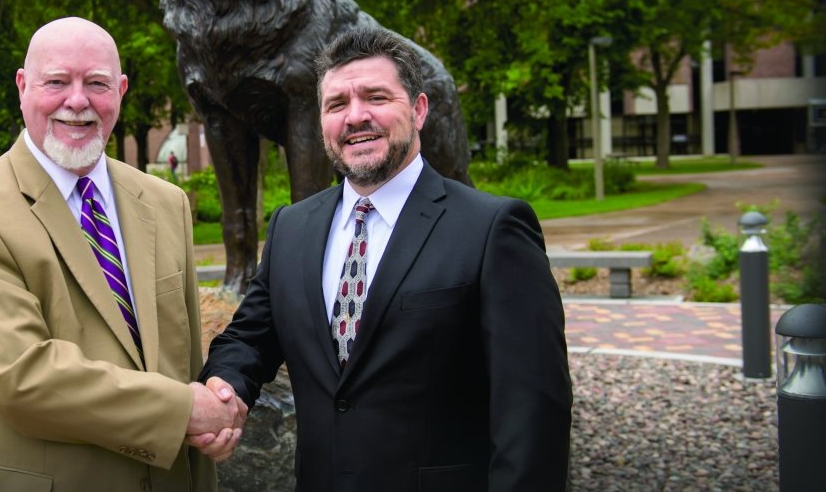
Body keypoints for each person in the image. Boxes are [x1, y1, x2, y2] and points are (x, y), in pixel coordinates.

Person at [199, 27, 573, 490]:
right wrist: (224, 388)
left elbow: (534, 409)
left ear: (418, 109)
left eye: (375, 97)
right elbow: (250, 339)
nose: (356, 117)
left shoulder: (492, 229)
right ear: (321, 122)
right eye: (337, 104)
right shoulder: (291, 228)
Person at [0, 16, 242, 491]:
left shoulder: (165, 202)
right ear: (22, 86)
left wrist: (214, 416)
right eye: (56, 82)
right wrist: (184, 412)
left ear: (121, 90)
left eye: (96, 83)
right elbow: (21, 377)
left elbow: (185, 358)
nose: (78, 101)